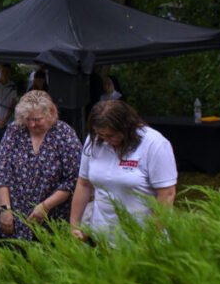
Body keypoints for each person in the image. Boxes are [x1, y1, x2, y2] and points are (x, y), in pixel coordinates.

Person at [70, 100, 177, 243]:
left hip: (142, 239)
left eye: (111, 135)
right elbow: (84, 184)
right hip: (101, 236)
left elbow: (167, 193)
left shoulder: (154, 144)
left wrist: (152, 236)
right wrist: (74, 225)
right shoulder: (94, 140)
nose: (106, 140)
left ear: (127, 127)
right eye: (101, 134)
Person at [0, 90, 82, 241]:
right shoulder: (14, 131)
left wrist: (45, 206)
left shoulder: (65, 134)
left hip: (53, 218)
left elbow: (73, 180)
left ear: (51, 113)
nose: (31, 124)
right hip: (17, 220)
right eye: (27, 119)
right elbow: (3, 174)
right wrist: (5, 210)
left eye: (37, 119)